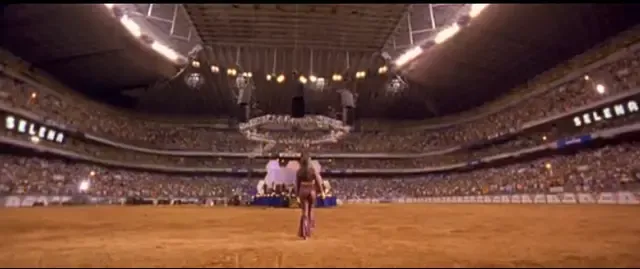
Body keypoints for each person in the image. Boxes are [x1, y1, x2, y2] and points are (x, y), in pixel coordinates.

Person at [295, 154, 324, 239]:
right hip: (311, 190)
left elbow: (297, 184)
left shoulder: (299, 171)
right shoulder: (312, 170)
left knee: (304, 212)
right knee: (311, 211)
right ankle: (310, 230)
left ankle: (304, 234)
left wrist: (297, 195)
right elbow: (318, 181)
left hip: (303, 190)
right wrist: (322, 192)